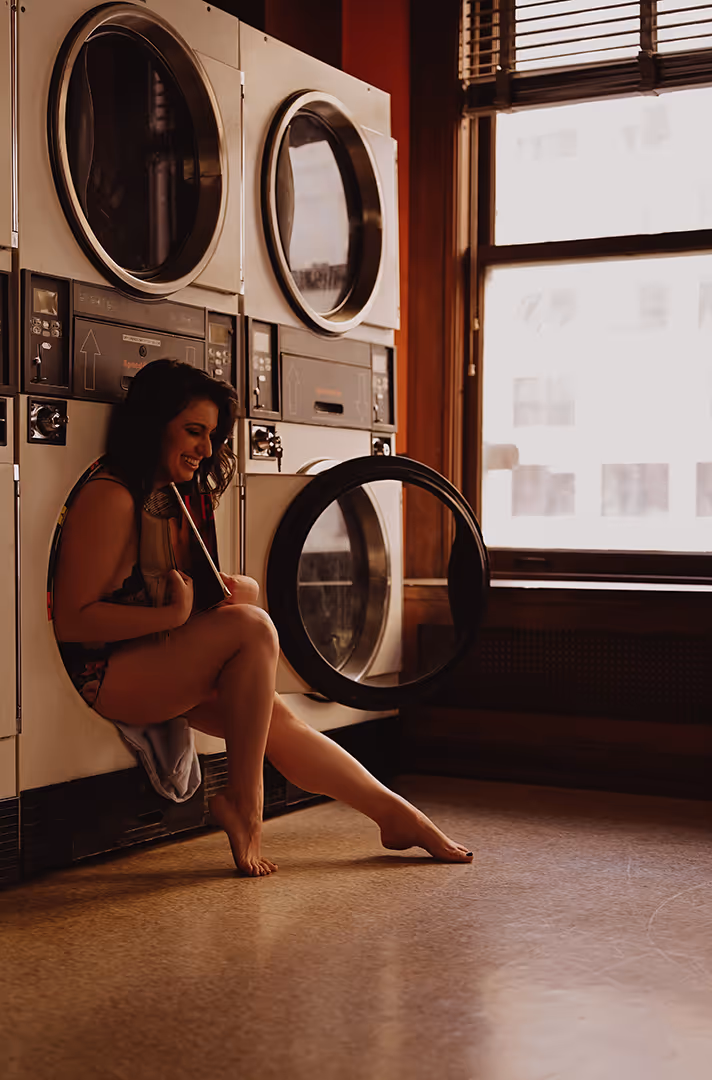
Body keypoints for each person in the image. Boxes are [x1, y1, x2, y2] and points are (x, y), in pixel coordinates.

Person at [53, 359, 474, 876]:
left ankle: (394, 814)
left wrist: (226, 593)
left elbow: (170, 592)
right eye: (193, 431)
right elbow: (74, 622)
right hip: (104, 674)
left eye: (211, 435)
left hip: (149, 660)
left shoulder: (173, 495)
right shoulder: (112, 496)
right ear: (153, 423)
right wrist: (175, 612)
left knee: (275, 712)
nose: (206, 449)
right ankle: (245, 804)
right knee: (253, 628)